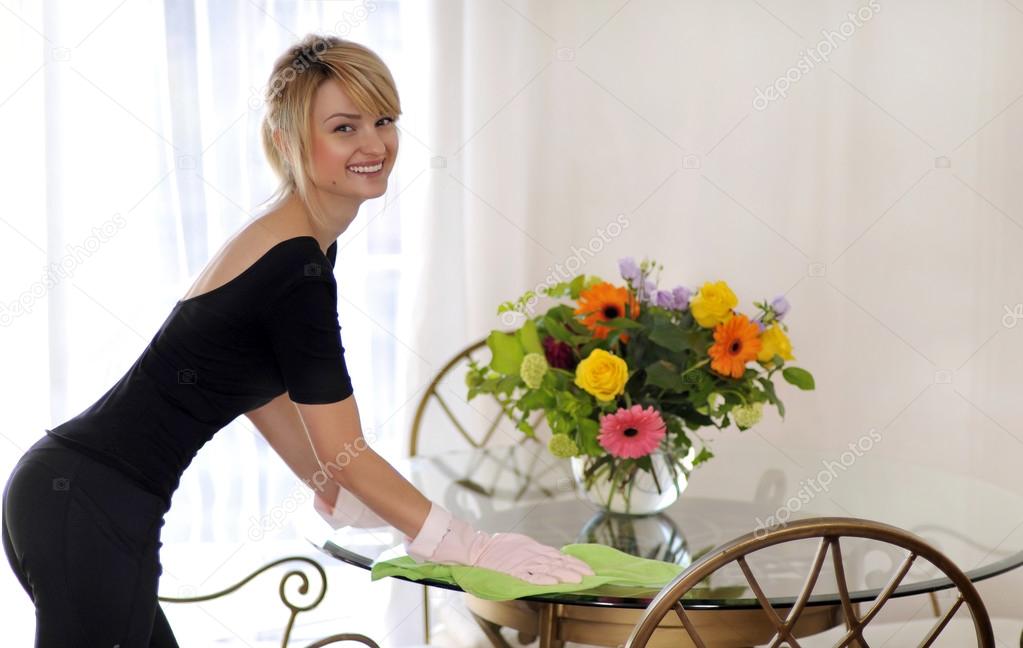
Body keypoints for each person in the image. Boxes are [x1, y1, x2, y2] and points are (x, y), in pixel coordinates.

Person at [1, 33, 592, 647]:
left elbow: (259, 395)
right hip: (90, 502)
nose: (373, 143)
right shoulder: (296, 264)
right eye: (344, 127)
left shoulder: (292, 241)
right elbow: (350, 450)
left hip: (71, 494)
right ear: (287, 141)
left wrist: (351, 502)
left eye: (383, 119)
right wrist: (468, 545)